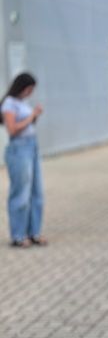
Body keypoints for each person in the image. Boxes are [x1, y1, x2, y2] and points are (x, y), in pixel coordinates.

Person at [1, 72, 46, 248]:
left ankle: (34, 232)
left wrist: (34, 117)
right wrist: (31, 116)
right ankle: (18, 235)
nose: (30, 92)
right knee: (21, 194)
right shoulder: (9, 103)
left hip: (32, 147)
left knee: (37, 193)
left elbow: (27, 125)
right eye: (29, 88)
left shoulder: (22, 103)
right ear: (21, 86)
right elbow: (12, 129)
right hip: (19, 149)